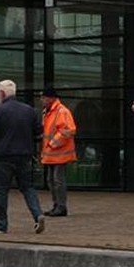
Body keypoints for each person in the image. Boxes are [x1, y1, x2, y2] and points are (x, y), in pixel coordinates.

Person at [0, 79, 46, 235]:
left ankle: (1, 226)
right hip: (24, 156)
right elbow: (39, 132)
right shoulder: (29, 111)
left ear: (2, 93)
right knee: (27, 188)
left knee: (2, 190)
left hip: (5, 156)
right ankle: (38, 215)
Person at [40, 87, 77, 217]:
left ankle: (61, 207)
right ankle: (57, 205)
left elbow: (68, 130)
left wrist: (52, 144)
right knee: (52, 180)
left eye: (44, 97)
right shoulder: (48, 111)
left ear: (51, 98)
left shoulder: (61, 111)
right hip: (52, 153)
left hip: (59, 153)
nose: (42, 100)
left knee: (57, 180)